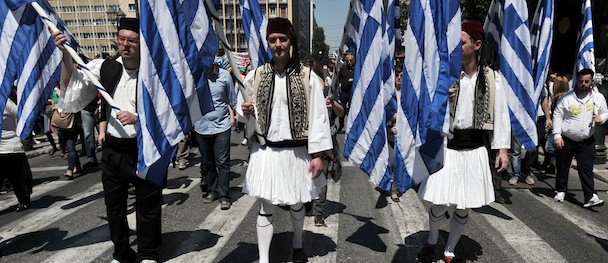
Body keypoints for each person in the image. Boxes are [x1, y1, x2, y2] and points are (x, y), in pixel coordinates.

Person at [53, 17, 162, 263]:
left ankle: (148, 254)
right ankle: (122, 253)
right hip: (114, 150)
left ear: (141, 43)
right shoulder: (105, 67)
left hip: (143, 149)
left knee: (148, 205)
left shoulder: (154, 72)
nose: (126, 45)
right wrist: (66, 55)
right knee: (114, 207)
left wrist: (138, 118)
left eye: (132, 40)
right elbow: (72, 91)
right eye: (122, 39)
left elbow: (168, 112)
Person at [416, 21, 510, 263]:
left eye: (462, 42)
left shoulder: (493, 78)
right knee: (439, 202)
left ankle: (450, 249)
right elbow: (425, 111)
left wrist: (502, 148)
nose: (456, 47)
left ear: (476, 45)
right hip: (448, 147)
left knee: (463, 205)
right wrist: (442, 100)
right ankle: (432, 240)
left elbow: (501, 115)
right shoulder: (445, 75)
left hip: (475, 148)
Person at [241, 17, 332, 263]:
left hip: (297, 152)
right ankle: (263, 259)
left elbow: (319, 117)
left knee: (296, 203)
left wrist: (317, 155)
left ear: (290, 41)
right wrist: (245, 111)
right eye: (273, 40)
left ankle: (298, 244)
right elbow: (244, 110)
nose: (278, 44)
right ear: (268, 43)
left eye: (282, 39)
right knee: (265, 206)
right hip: (266, 152)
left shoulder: (307, 76)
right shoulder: (256, 75)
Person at [552, 68, 607, 208]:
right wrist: (557, 135)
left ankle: (590, 196)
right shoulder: (567, 98)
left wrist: (601, 118)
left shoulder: (598, 98)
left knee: (586, 168)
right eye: (581, 81)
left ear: (592, 81)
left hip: (586, 140)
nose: (583, 84)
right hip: (567, 139)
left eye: (586, 81)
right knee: (563, 166)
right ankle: (561, 189)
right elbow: (558, 116)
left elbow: (605, 112)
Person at [195, 62, 237, 210]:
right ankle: (212, 190)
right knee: (208, 162)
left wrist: (237, 117)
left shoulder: (224, 76)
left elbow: (232, 100)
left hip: (221, 126)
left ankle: (224, 195)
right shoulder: (194, 75)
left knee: (223, 162)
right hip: (201, 126)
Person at [0, 96, 33, 212]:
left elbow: (21, 114)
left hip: (11, 146)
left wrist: (22, 133)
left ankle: (24, 201)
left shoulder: (4, 101)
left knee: (19, 179)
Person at [543, 75, 570, 174]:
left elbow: (557, 115)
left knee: (551, 147)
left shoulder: (558, 98)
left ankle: (555, 166)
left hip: (558, 126)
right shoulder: (568, 96)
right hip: (566, 127)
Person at [337, 53, 355, 132]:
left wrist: (353, 80)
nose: (349, 62)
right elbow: (339, 79)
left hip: (353, 92)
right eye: (347, 61)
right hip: (344, 92)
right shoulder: (343, 69)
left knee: (353, 109)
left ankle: (353, 127)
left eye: (351, 60)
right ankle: (341, 125)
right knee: (342, 109)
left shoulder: (357, 69)